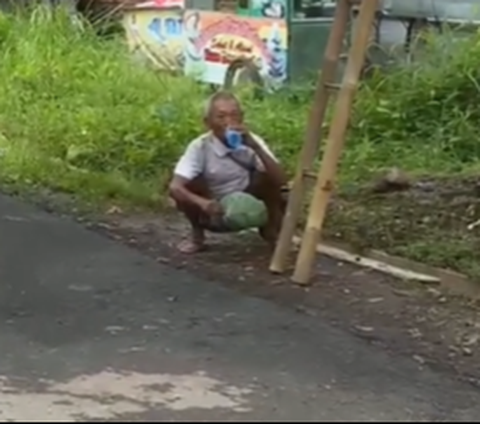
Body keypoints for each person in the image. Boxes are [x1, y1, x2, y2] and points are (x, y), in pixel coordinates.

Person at [169, 90, 288, 254]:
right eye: (221, 117)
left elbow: (282, 180)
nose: (229, 122)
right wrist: (203, 203)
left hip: (247, 193)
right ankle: (197, 235)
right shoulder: (200, 147)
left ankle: (271, 231)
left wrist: (255, 147)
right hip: (215, 202)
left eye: (234, 116)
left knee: (270, 179)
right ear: (208, 122)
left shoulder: (251, 141)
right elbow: (175, 187)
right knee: (187, 184)